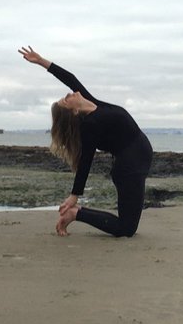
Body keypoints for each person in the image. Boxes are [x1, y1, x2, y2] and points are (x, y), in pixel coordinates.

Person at [19, 46, 153, 238]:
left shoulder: (93, 103)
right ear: (73, 112)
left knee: (127, 225)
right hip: (129, 168)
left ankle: (78, 213)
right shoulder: (91, 125)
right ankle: (76, 213)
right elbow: (86, 160)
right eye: (65, 101)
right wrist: (74, 195)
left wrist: (41, 61)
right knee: (126, 229)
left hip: (136, 164)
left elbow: (69, 78)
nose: (67, 95)